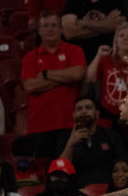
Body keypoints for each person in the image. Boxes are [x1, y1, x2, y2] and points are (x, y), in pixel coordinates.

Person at [20, 12, 86, 156]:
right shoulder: (30, 57)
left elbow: (77, 74)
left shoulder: (74, 50)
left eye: (54, 25)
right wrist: (64, 78)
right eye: (45, 26)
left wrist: (46, 74)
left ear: (61, 29)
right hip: (39, 126)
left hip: (69, 123)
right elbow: (30, 86)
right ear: (39, 30)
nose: (50, 29)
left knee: (68, 167)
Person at [87, 22, 128, 125]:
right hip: (108, 114)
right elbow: (89, 78)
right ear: (116, 41)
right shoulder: (106, 59)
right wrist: (98, 56)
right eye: (121, 36)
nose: (125, 38)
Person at [54, 95, 128, 186]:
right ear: (74, 115)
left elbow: (124, 163)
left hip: (108, 187)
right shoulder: (65, 137)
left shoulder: (110, 135)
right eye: (79, 109)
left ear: (97, 114)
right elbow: (60, 170)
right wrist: (70, 144)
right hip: (76, 188)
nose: (83, 111)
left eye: (88, 107)